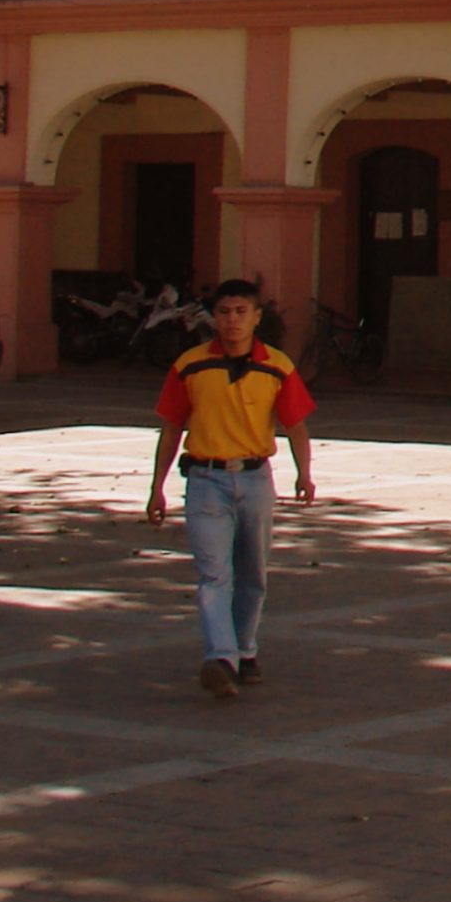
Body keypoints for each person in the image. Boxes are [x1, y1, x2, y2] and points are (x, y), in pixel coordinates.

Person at [145, 280, 317, 696]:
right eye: (224, 312)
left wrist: (304, 473)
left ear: (257, 317)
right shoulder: (191, 365)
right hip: (206, 480)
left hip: (256, 478)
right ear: (214, 318)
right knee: (214, 573)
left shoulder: (277, 366)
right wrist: (157, 487)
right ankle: (220, 657)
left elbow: (296, 426)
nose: (233, 320)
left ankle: (245, 648)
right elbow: (171, 428)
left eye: (242, 311)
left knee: (253, 574)